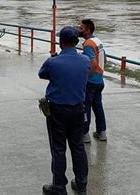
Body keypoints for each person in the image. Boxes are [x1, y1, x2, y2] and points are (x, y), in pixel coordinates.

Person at [38, 26, 90, 195]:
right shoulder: (85, 61)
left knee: (58, 149)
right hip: (78, 110)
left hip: (57, 111)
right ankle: (81, 184)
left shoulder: (53, 62)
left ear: (61, 43)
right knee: (78, 147)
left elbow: (42, 74)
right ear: (76, 42)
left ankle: (59, 187)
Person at [78, 19, 107, 143]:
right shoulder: (97, 41)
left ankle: (85, 134)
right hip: (100, 81)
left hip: (90, 82)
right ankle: (102, 132)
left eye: (81, 28)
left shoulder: (88, 44)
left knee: (85, 108)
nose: (79, 30)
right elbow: (104, 59)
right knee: (98, 107)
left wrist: (86, 75)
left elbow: (94, 63)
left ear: (88, 30)